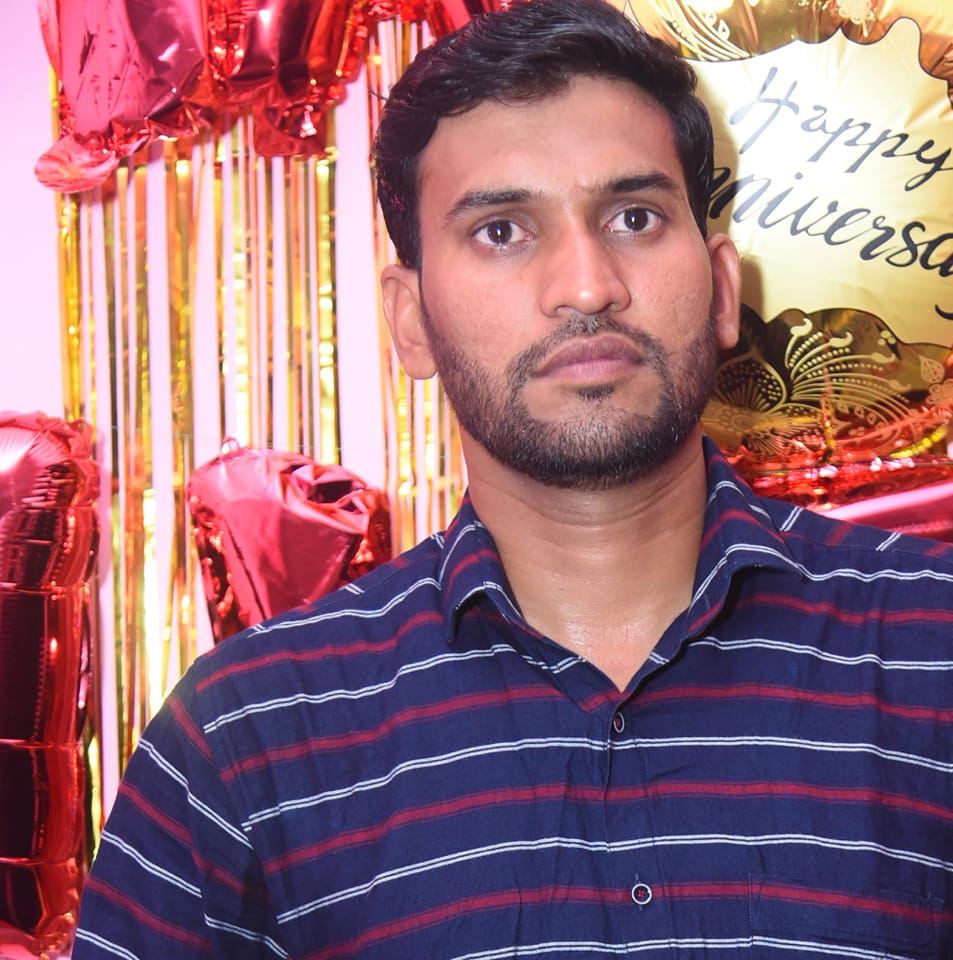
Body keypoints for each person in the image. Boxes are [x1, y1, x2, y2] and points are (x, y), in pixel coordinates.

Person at [73, 0, 953, 956]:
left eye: (633, 217)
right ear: (410, 321)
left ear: (720, 287)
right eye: (501, 230)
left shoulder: (932, 645)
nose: (586, 285)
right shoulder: (246, 736)